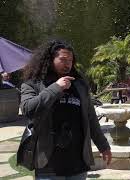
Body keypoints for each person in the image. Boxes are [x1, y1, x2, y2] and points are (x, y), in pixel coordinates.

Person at [20, 40, 112, 179]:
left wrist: (103, 146)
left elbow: (91, 118)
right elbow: (28, 109)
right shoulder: (33, 84)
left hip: (78, 161)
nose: (67, 63)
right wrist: (56, 88)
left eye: (70, 60)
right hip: (48, 162)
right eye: (63, 59)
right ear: (50, 60)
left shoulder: (80, 85)